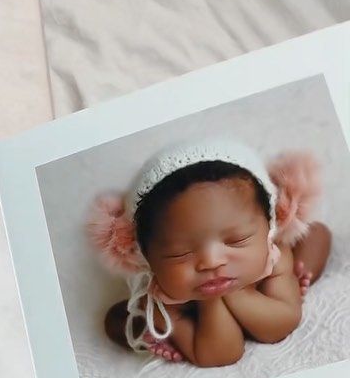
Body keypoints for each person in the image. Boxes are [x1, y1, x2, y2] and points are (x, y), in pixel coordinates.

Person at [89, 139, 331, 365]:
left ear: (268, 228)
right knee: (118, 319)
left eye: (237, 240)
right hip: (195, 313)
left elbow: (279, 327)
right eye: (179, 253)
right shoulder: (164, 298)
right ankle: (159, 333)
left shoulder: (272, 257)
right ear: (148, 259)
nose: (211, 261)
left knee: (314, 236)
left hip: (264, 281)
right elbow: (221, 355)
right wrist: (213, 298)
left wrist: (237, 293)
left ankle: (296, 280)